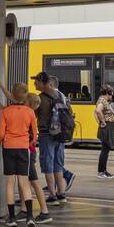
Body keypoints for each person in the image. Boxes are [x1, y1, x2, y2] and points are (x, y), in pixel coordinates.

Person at [0, 81, 52, 222]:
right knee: (25, 182)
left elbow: (5, 119)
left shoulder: (9, 111)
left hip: (11, 149)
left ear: (27, 101)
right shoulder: (30, 113)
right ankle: (29, 215)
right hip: (25, 150)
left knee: (18, 183)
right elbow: (35, 135)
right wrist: (29, 143)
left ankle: (33, 213)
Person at [32, 71, 68, 206]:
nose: (34, 83)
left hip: (47, 134)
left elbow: (32, 115)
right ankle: (61, 194)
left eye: (36, 81)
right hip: (60, 135)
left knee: (48, 165)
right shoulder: (60, 95)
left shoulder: (40, 98)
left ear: (42, 82)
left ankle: (52, 196)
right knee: (58, 165)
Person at [47, 76, 76, 194]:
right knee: (56, 158)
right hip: (62, 132)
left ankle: (65, 177)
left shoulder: (54, 96)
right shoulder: (63, 96)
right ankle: (57, 186)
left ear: (50, 85)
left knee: (52, 160)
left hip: (55, 132)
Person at [93, 84, 114, 179]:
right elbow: (98, 111)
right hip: (107, 127)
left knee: (106, 149)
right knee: (105, 150)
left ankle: (103, 171)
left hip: (108, 126)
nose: (112, 95)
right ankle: (101, 172)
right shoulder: (102, 100)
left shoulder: (102, 100)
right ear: (108, 93)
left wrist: (99, 121)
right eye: (111, 93)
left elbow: (95, 113)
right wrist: (103, 122)